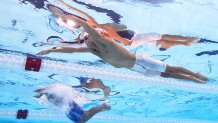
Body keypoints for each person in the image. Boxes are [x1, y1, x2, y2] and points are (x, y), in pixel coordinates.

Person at [37, 13, 208, 83]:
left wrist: (66, 16)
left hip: (139, 60)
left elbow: (85, 25)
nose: (86, 41)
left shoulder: (102, 40)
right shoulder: (93, 49)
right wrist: (51, 50)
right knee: (167, 75)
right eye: (84, 40)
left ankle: (195, 74)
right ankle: (193, 80)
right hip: (136, 69)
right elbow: (72, 50)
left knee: (170, 68)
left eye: (86, 38)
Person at [47, 2, 200, 49]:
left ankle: (183, 43)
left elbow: (85, 15)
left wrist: (66, 5)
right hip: (133, 40)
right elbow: (123, 41)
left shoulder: (98, 27)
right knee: (160, 36)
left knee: (160, 41)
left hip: (131, 41)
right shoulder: (104, 30)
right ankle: (186, 41)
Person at [34, 83, 111, 123]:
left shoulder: (51, 95)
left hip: (65, 105)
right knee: (84, 118)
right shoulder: (52, 95)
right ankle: (102, 107)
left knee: (84, 118)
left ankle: (103, 107)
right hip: (65, 104)